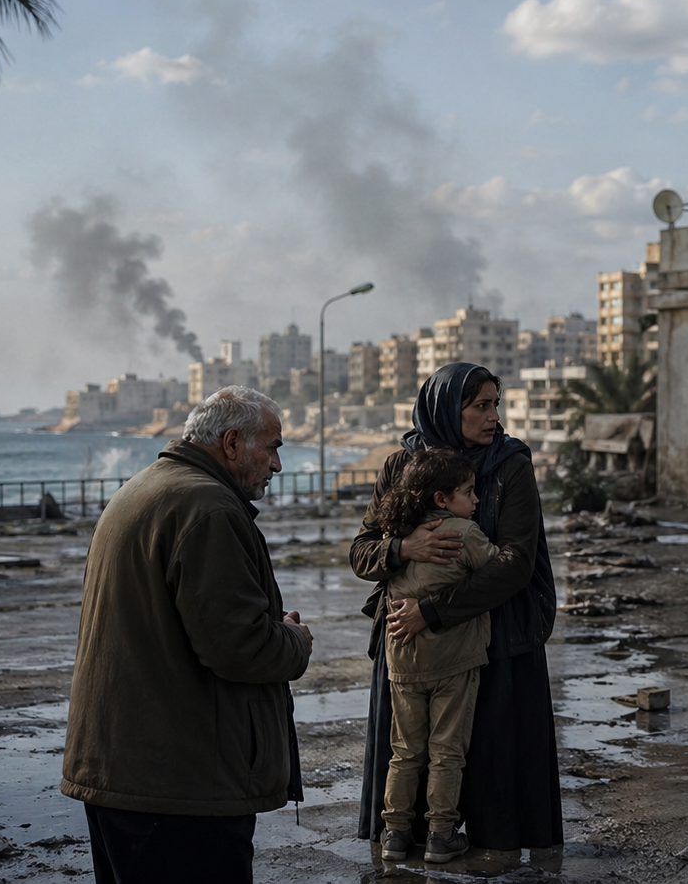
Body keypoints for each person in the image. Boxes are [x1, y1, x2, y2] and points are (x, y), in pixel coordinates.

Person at [62, 386, 313, 884]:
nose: (278, 465)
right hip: (183, 788)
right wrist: (294, 642)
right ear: (233, 443)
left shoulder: (142, 488)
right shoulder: (209, 508)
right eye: (273, 447)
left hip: (127, 776)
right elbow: (240, 648)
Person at [351, 363, 561, 867]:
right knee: (411, 747)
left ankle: (484, 842)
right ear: (447, 410)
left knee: (485, 755)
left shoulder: (510, 465)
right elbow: (362, 553)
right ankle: (408, 834)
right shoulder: (401, 466)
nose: (493, 417)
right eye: (480, 406)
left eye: (496, 404)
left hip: (494, 642)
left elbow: (515, 565)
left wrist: (432, 610)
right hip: (410, 647)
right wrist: (403, 546)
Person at [374, 449, 498, 864]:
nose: (476, 500)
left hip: (403, 662)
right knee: (447, 750)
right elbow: (499, 571)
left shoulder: (399, 535)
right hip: (454, 661)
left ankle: (394, 834)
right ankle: (442, 834)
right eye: (468, 492)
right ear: (441, 499)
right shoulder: (463, 532)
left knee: (405, 751)